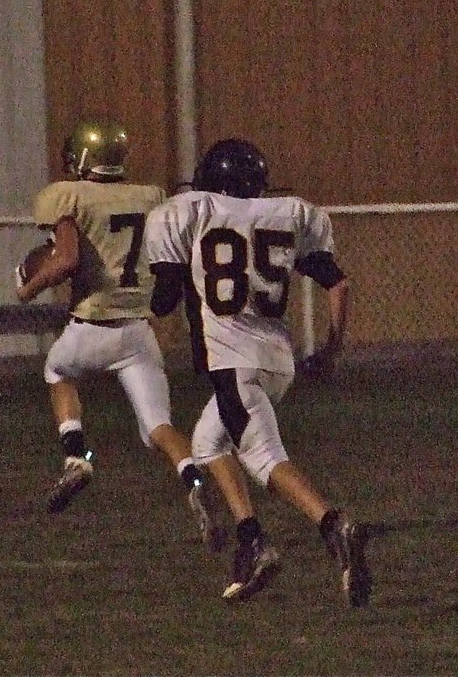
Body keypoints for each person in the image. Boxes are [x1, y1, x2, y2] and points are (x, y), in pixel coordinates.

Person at [143, 137, 372, 606]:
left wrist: (156, 286)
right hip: (277, 361)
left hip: (232, 360)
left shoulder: (188, 211)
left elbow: (164, 301)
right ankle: (251, 540)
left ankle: (333, 525)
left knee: (264, 458)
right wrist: (330, 350)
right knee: (208, 443)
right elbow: (339, 284)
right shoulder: (289, 214)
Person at [15, 119, 225, 551]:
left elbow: (68, 259)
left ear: (85, 157)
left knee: (57, 371)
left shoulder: (68, 196)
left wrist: (29, 287)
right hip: (137, 331)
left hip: (92, 325)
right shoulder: (149, 197)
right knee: (159, 427)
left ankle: (76, 455)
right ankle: (193, 477)